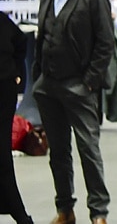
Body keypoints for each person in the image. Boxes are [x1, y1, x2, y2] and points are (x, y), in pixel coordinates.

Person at [33, 0, 116, 224]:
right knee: (58, 153)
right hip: (49, 87)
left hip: (80, 88)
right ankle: (65, 210)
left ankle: (99, 213)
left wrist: (89, 82)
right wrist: (38, 78)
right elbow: (42, 39)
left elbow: (105, 43)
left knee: (89, 151)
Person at [1, 12, 32, 224]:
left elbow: (21, 42)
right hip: (6, 87)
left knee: (2, 155)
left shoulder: (3, 22)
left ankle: (20, 216)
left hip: (3, 90)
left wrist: (17, 72)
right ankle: (20, 215)